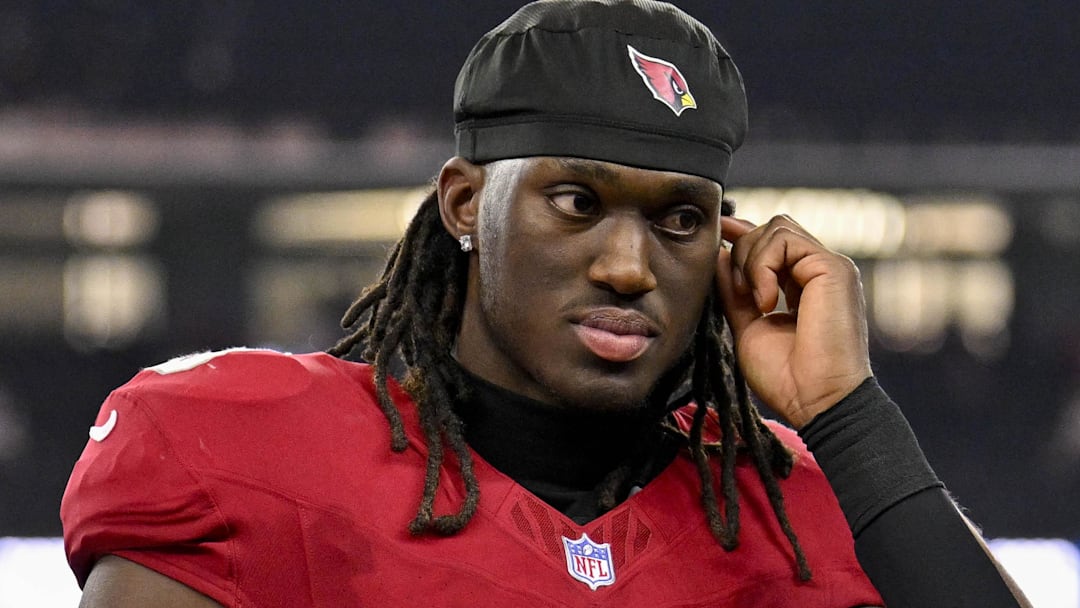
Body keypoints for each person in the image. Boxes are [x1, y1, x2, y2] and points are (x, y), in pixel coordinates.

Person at [62, 1, 1031, 606]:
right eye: (576, 202)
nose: (629, 265)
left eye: (680, 220)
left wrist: (849, 417)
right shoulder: (248, 451)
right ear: (465, 204)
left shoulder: (792, 501)